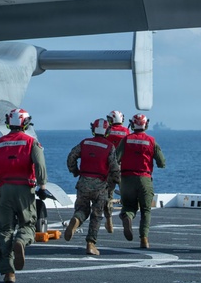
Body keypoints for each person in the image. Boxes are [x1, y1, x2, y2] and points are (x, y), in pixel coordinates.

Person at [0, 108, 48, 283]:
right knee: (28, 225)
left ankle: (8, 272)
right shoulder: (31, 143)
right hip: (25, 191)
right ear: (26, 124)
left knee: (1, 231)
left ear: (8, 123)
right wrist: (42, 186)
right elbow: (40, 165)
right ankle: (21, 240)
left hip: (3, 191)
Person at [64, 118, 121, 256]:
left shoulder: (84, 143)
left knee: (82, 209)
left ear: (93, 129)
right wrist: (119, 182)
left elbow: (71, 157)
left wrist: (75, 171)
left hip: (83, 182)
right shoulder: (109, 147)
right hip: (100, 185)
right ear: (107, 131)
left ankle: (76, 220)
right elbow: (114, 168)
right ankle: (90, 244)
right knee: (96, 215)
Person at [115, 113, 165, 249]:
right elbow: (161, 162)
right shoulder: (151, 141)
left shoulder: (126, 140)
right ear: (146, 125)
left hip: (126, 179)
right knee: (146, 210)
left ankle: (128, 217)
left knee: (129, 206)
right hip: (145, 179)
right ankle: (144, 239)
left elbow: (115, 159)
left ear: (132, 124)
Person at [102, 109, 129, 232]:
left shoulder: (107, 132)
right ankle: (126, 216)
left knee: (108, 195)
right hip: (123, 167)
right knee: (127, 194)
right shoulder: (127, 132)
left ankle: (109, 221)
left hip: (109, 167)